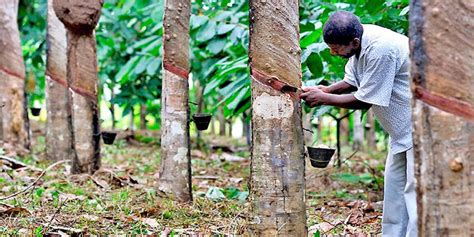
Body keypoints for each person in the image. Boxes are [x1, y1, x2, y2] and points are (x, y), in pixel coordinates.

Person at [300, 11, 416, 237]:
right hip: (401, 132)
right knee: (394, 191)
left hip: (418, 129)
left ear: (354, 42)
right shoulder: (358, 45)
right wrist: (325, 90)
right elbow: (352, 82)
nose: (333, 53)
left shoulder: (382, 48)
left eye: (336, 48)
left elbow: (365, 100)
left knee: (414, 193)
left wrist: (324, 98)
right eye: (330, 48)